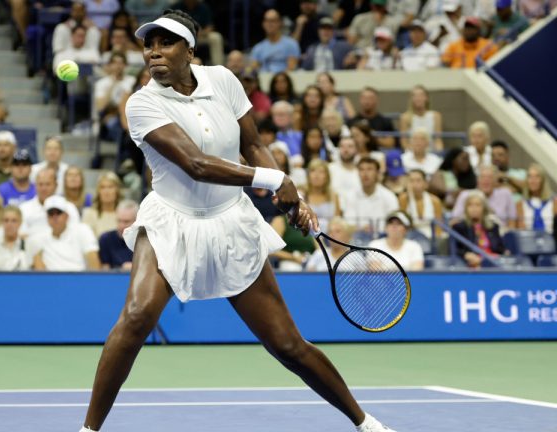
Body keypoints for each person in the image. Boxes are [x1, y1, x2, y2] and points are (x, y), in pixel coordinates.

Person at [80, 11, 395, 432]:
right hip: (171, 222)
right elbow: (195, 163)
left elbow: (252, 143)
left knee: (287, 345)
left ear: (190, 50)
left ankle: (366, 423)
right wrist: (275, 179)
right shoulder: (142, 103)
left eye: (165, 42)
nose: (153, 51)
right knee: (137, 316)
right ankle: (89, 430)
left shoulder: (224, 81)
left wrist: (290, 197)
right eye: (148, 44)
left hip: (230, 223)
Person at [31, 195, 100, 271]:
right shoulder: (39, 237)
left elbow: (93, 261)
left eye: (58, 213)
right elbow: (38, 268)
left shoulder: (82, 231)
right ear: (47, 217)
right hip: (51, 281)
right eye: (51, 214)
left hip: (79, 279)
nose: (55, 217)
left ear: (66, 216)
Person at [339, 157, 399, 231]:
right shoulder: (350, 196)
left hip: (383, 237)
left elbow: (394, 225)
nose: (365, 174)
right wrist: (362, 229)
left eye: (369, 169)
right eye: (361, 170)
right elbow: (348, 224)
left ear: (377, 173)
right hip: (356, 238)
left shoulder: (389, 197)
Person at [452, 190, 506, 267]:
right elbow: (454, 249)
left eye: (478, 205)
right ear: (466, 208)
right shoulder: (459, 227)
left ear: (484, 208)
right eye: (470, 205)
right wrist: (466, 254)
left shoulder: (493, 227)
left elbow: (500, 249)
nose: (474, 208)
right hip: (472, 264)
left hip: (493, 263)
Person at [452, 165, 517, 228]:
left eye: (490, 177)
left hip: (501, 234)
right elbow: (454, 221)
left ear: (495, 181)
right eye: (483, 177)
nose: (486, 180)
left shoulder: (506, 194)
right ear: (477, 180)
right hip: (470, 234)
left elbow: (512, 222)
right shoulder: (465, 195)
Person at [399, 169, 443, 239]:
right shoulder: (403, 199)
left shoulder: (435, 201)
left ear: (425, 184)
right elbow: (402, 223)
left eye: (418, 181)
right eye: (411, 181)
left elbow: (438, 227)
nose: (415, 184)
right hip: (410, 236)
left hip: (431, 237)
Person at [399, 86, 443, 151]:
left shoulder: (436, 116)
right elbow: (404, 142)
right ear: (411, 99)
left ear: (426, 98)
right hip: (412, 153)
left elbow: (438, 140)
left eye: (421, 95)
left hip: (431, 152)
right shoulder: (405, 117)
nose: (418, 98)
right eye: (415, 96)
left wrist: (439, 153)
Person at [516, 163, 556, 232]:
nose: (533, 180)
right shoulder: (520, 204)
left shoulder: (554, 202)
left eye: (537, 177)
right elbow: (520, 232)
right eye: (530, 177)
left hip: (551, 240)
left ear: (543, 180)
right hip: (529, 240)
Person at [98, 199, 137, 270]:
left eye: (126, 221)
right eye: (119, 221)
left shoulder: (145, 241)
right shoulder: (106, 239)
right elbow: (104, 271)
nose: (121, 225)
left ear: (136, 221)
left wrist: (136, 268)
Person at [82, 171, 123, 238]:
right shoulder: (89, 213)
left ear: (117, 190)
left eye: (110, 187)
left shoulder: (125, 214)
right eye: (102, 187)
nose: (106, 191)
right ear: (98, 191)